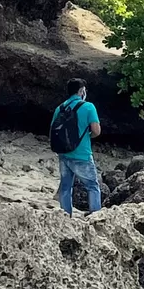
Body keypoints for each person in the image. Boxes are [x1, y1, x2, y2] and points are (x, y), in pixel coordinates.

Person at [50, 78, 102, 215]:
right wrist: (86, 137)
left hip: (63, 153)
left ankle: (66, 216)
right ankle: (96, 216)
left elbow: (53, 131)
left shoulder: (59, 108)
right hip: (82, 154)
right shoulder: (88, 107)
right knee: (92, 186)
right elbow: (96, 131)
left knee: (66, 187)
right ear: (81, 91)